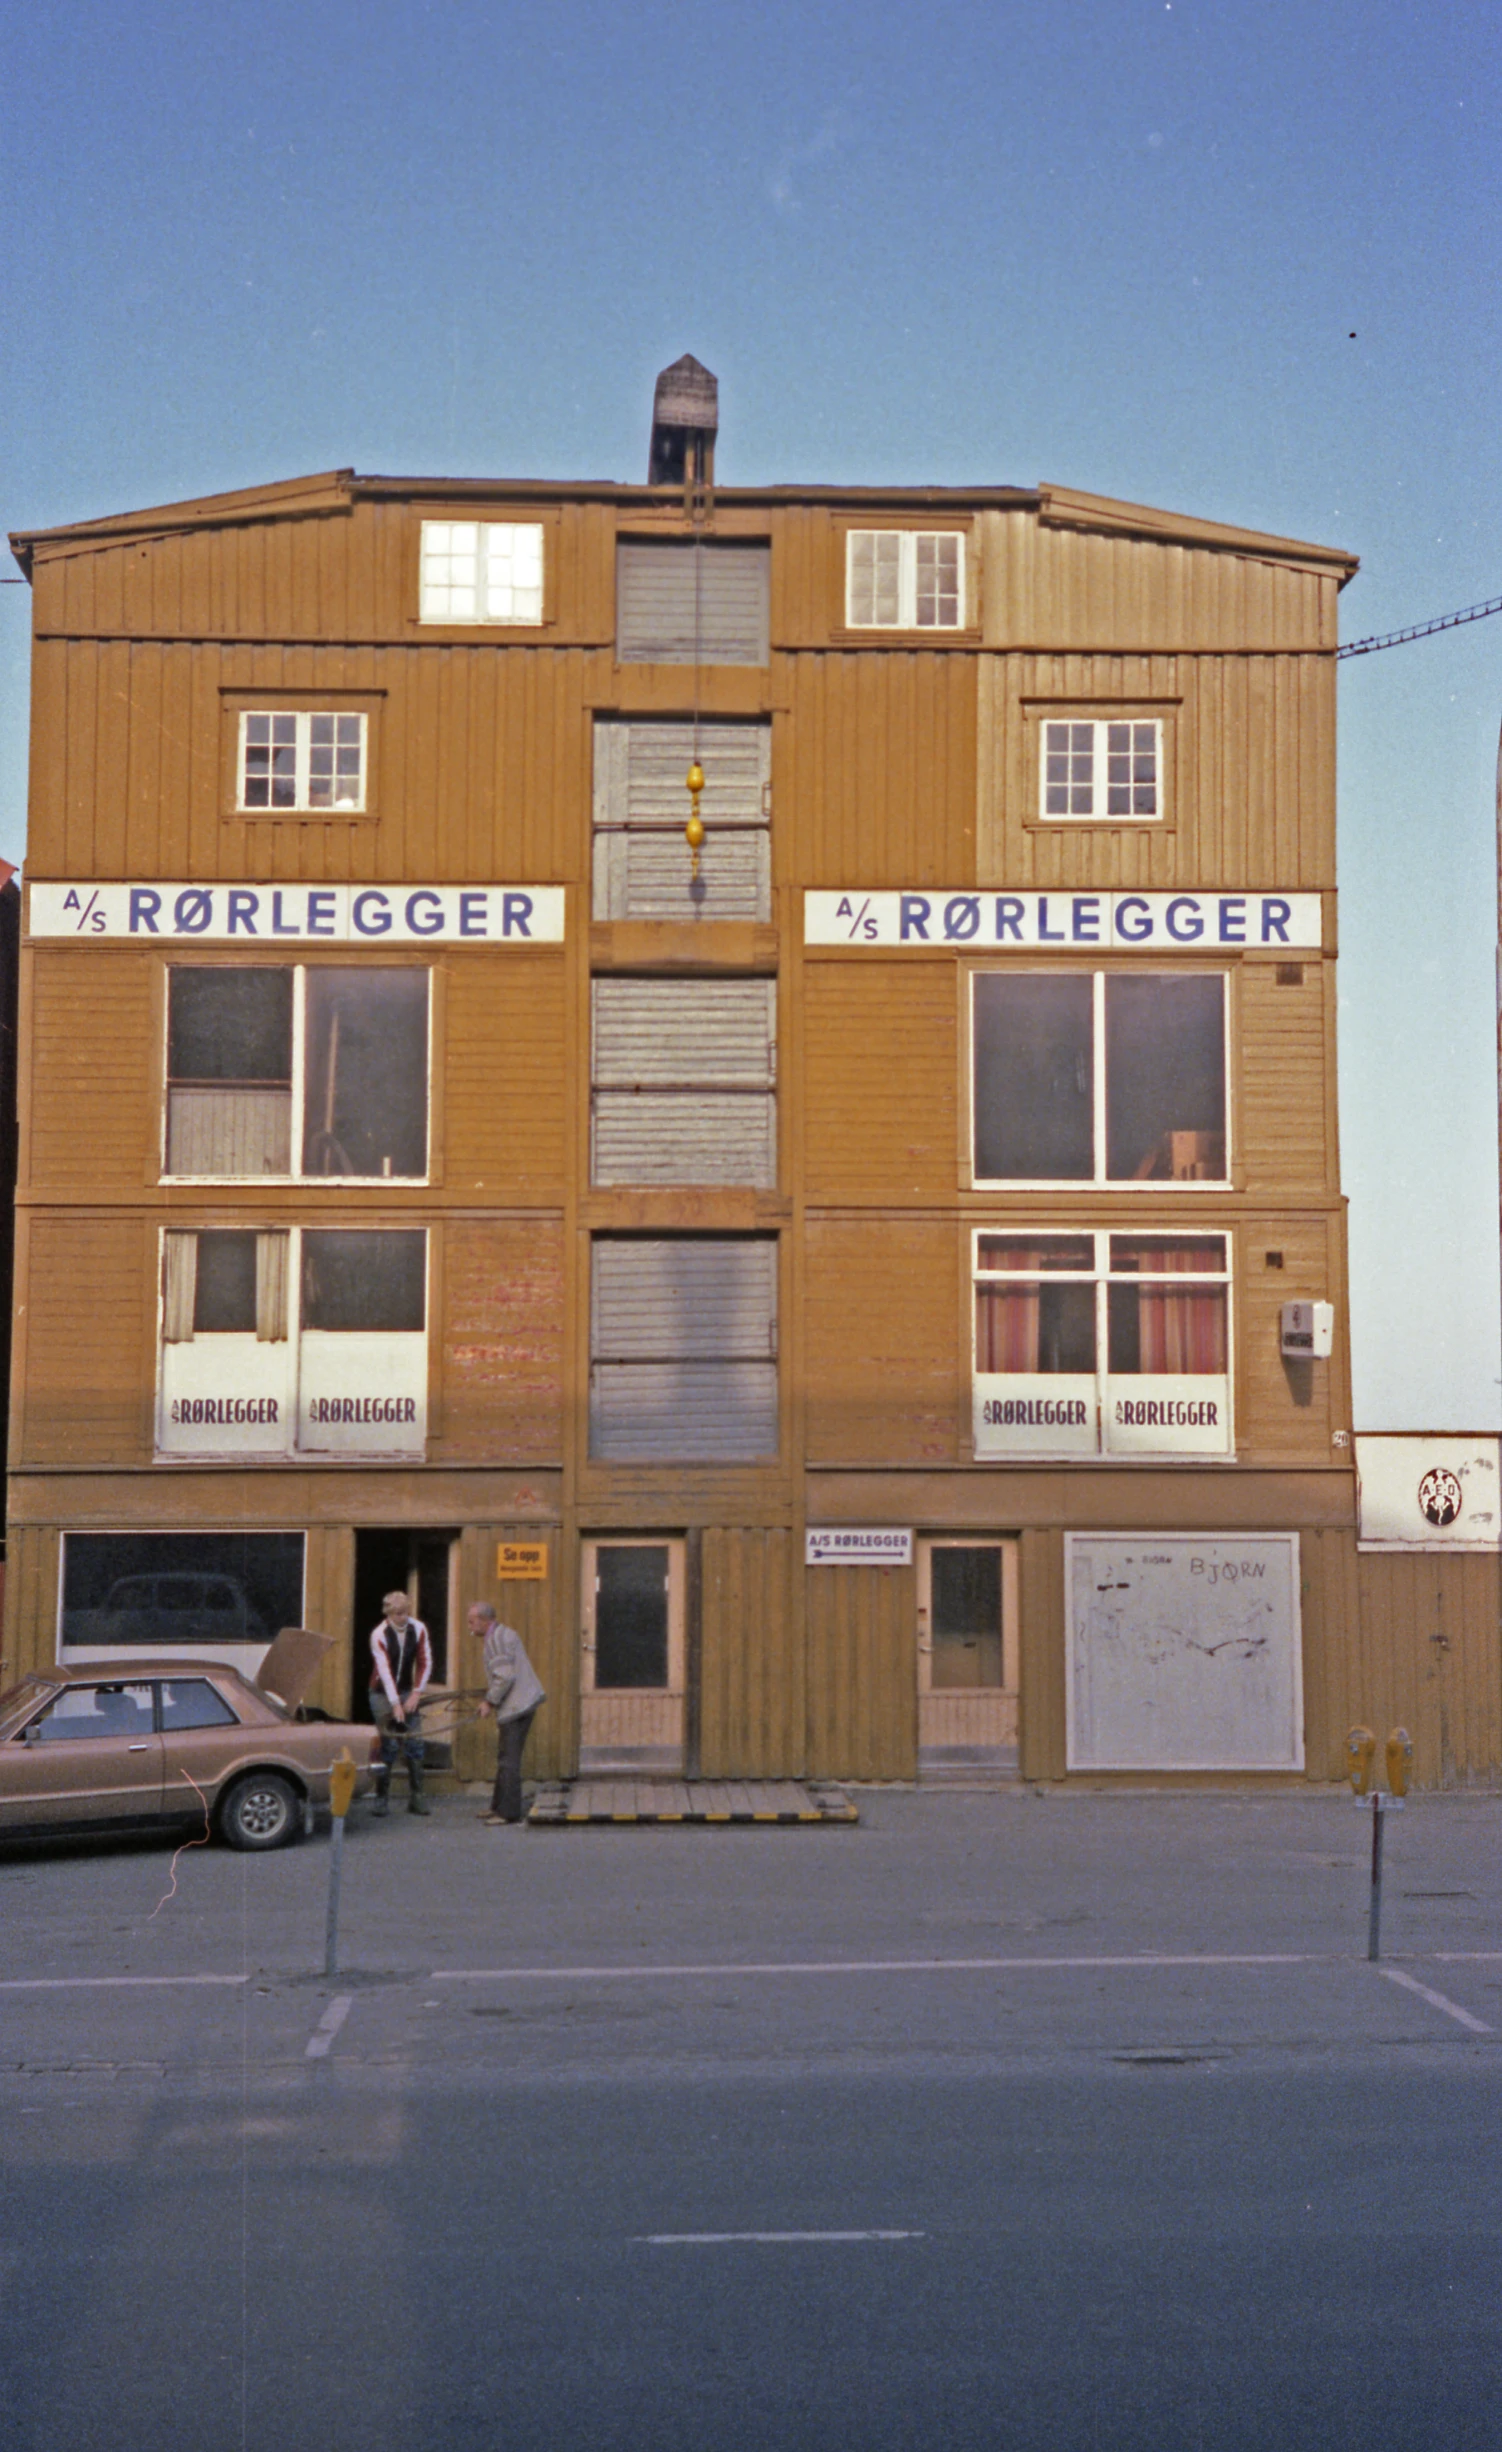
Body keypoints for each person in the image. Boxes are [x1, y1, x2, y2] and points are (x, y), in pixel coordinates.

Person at [468, 1601, 545, 1825]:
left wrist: (488, 1702)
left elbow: (505, 1676)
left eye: (472, 1622)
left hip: (516, 1706)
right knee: (505, 1757)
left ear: (484, 1621)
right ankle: (497, 1807)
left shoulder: (495, 1640)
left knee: (509, 1760)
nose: (469, 1627)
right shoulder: (504, 1633)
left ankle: (508, 1813)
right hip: (524, 1701)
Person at [368, 1589, 433, 1816]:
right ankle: (381, 1798)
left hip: (407, 1690)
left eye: (405, 1612)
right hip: (381, 1694)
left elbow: (425, 1662)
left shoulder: (419, 1629)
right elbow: (384, 1671)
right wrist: (395, 1704)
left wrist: (416, 1693)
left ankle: (417, 1797)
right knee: (390, 1743)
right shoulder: (379, 1634)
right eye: (397, 1614)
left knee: (415, 1742)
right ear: (388, 1613)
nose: (402, 1617)